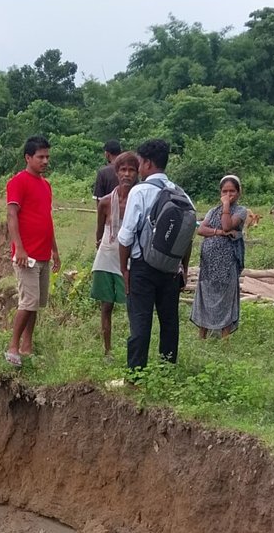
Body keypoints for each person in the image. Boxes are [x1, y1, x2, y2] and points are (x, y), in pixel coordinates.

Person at [117, 138, 194, 370]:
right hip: (171, 268)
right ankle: (166, 372)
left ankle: (135, 377)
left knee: (140, 321)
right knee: (169, 322)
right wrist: (183, 268)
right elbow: (187, 237)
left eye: (139, 163)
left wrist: (124, 269)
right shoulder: (181, 194)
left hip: (143, 266)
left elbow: (126, 235)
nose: (138, 168)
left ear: (148, 163)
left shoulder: (139, 191)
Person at [4, 135, 60, 367]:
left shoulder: (45, 185)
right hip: (27, 255)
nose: (45, 161)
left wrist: (55, 251)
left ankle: (28, 346)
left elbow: (47, 219)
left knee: (36, 303)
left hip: (43, 253)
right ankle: (13, 346)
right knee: (28, 302)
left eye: (47, 156)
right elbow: (11, 215)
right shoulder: (18, 182)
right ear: (28, 157)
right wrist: (20, 249)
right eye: (40, 157)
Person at [90, 151, 140, 359]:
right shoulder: (105, 202)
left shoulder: (139, 201)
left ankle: (134, 352)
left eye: (131, 170)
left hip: (129, 259)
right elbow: (100, 232)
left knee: (133, 307)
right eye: (123, 170)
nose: (126, 174)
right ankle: (107, 350)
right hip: (107, 255)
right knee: (106, 306)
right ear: (116, 172)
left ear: (137, 173)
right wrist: (99, 245)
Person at [191, 174, 249, 339]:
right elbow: (201, 230)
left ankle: (224, 338)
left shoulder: (241, 211)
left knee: (226, 296)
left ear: (238, 193)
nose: (228, 195)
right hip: (209, 263)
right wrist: (219, 233)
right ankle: (202, 334)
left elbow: (227, 224)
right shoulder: (211, 211)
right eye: (225, 191)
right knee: (206, 294)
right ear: (220, 192)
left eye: (232, 191)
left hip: (227, 262)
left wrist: (225, 207)